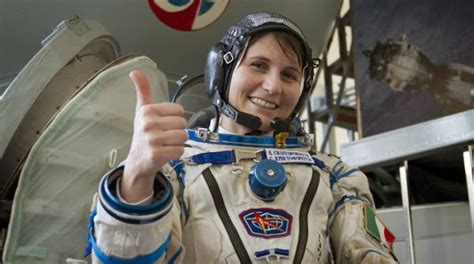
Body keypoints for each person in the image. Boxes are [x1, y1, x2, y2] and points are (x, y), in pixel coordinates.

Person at [86, 12, 398, 263]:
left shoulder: (334, 176)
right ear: (221, 72)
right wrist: (138, 177)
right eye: (259, 66)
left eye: (289, 75)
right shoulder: (173, 168)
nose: (273, 86)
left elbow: (369, 254)